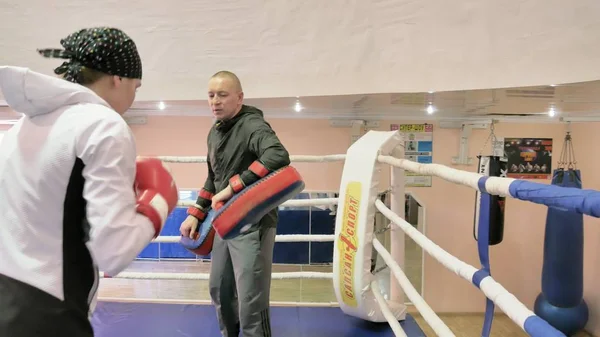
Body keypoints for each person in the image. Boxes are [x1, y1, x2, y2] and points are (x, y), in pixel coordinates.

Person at [0, 27, 179, 336]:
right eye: (136, 87)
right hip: (48, 314)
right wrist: (159, 202)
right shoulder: (103, 124)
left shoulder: (19, 128)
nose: (134, 97)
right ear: (117, 78)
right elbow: (114, 251)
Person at [180, 71, 290, 337]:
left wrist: (234, 186)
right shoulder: (215, 133)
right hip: (224, 222)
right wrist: (196, 213)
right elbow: (212, 177)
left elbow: (278, 154)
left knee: (251, 297)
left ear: (239, 98)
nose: (215, 101)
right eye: (211, 95)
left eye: (223, 95)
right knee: (220, 288)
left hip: (253, 223)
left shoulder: (252, 124)